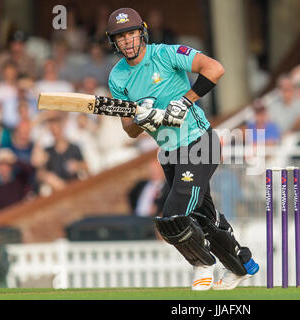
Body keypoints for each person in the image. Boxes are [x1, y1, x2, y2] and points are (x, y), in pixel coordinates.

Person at [106, 8, 259, 291]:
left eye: (131, 33)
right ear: (113, 42)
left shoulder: (165, 54)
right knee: (204, 217)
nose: (127, 41)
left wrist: (186, 101)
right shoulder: (117, 77)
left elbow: (215, 68)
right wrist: (142, 117)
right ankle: (243, 265)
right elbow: (129, 128)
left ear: (142, 32)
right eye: (120, 37)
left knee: (173, 217)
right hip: (168, 152)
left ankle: (202, 263)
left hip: (199, 142)